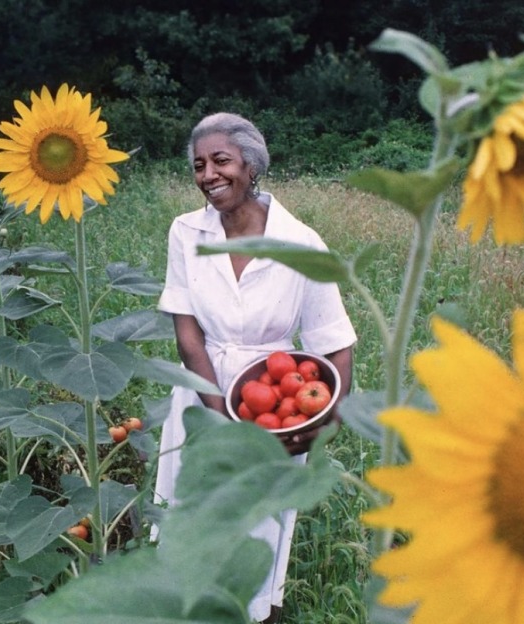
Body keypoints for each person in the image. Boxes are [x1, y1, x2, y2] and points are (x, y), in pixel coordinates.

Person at [152, 112, 356, 623]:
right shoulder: (186, 230)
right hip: (202, 395)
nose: (208, 175)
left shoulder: (301, 243)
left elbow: (335, 343)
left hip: (276, 404)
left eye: (221, 160)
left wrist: (318, 427)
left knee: (256, 527)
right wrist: (219, 413)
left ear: (252, 165)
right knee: (194, 516)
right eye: (199, 165)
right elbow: (187, 332)